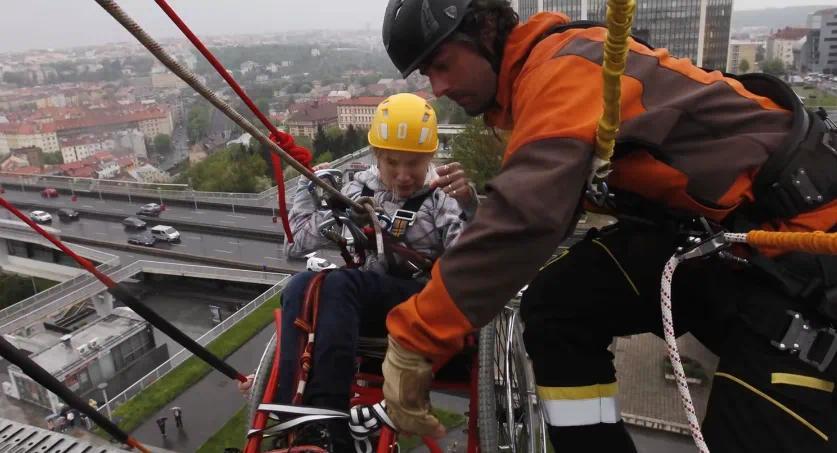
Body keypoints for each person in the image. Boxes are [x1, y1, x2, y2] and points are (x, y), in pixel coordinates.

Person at [378, 1, 837, 452]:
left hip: (804, 251)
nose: (437, 86)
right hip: (729, 240)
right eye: (426, 73)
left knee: (753, 427)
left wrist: (416, 338)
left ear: (484, 33)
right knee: (560, 305)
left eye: (442, 64)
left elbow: (524, 216)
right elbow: (542, 211)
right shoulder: (544, 74)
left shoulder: (562, 70)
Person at [238, 93, 478, 451]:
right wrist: (309, 188)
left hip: (420, 302)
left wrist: (468, 206)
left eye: (413, 164)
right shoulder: (356, 190)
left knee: (341, 284)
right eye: (391, 162)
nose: (402, 175)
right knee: (301, 284)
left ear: (429, 158)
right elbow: (296, 245)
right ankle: (290, 404)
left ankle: (327, 418)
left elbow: (470, 264)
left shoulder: (441, 199)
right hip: (361, 306)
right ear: (376, 157)